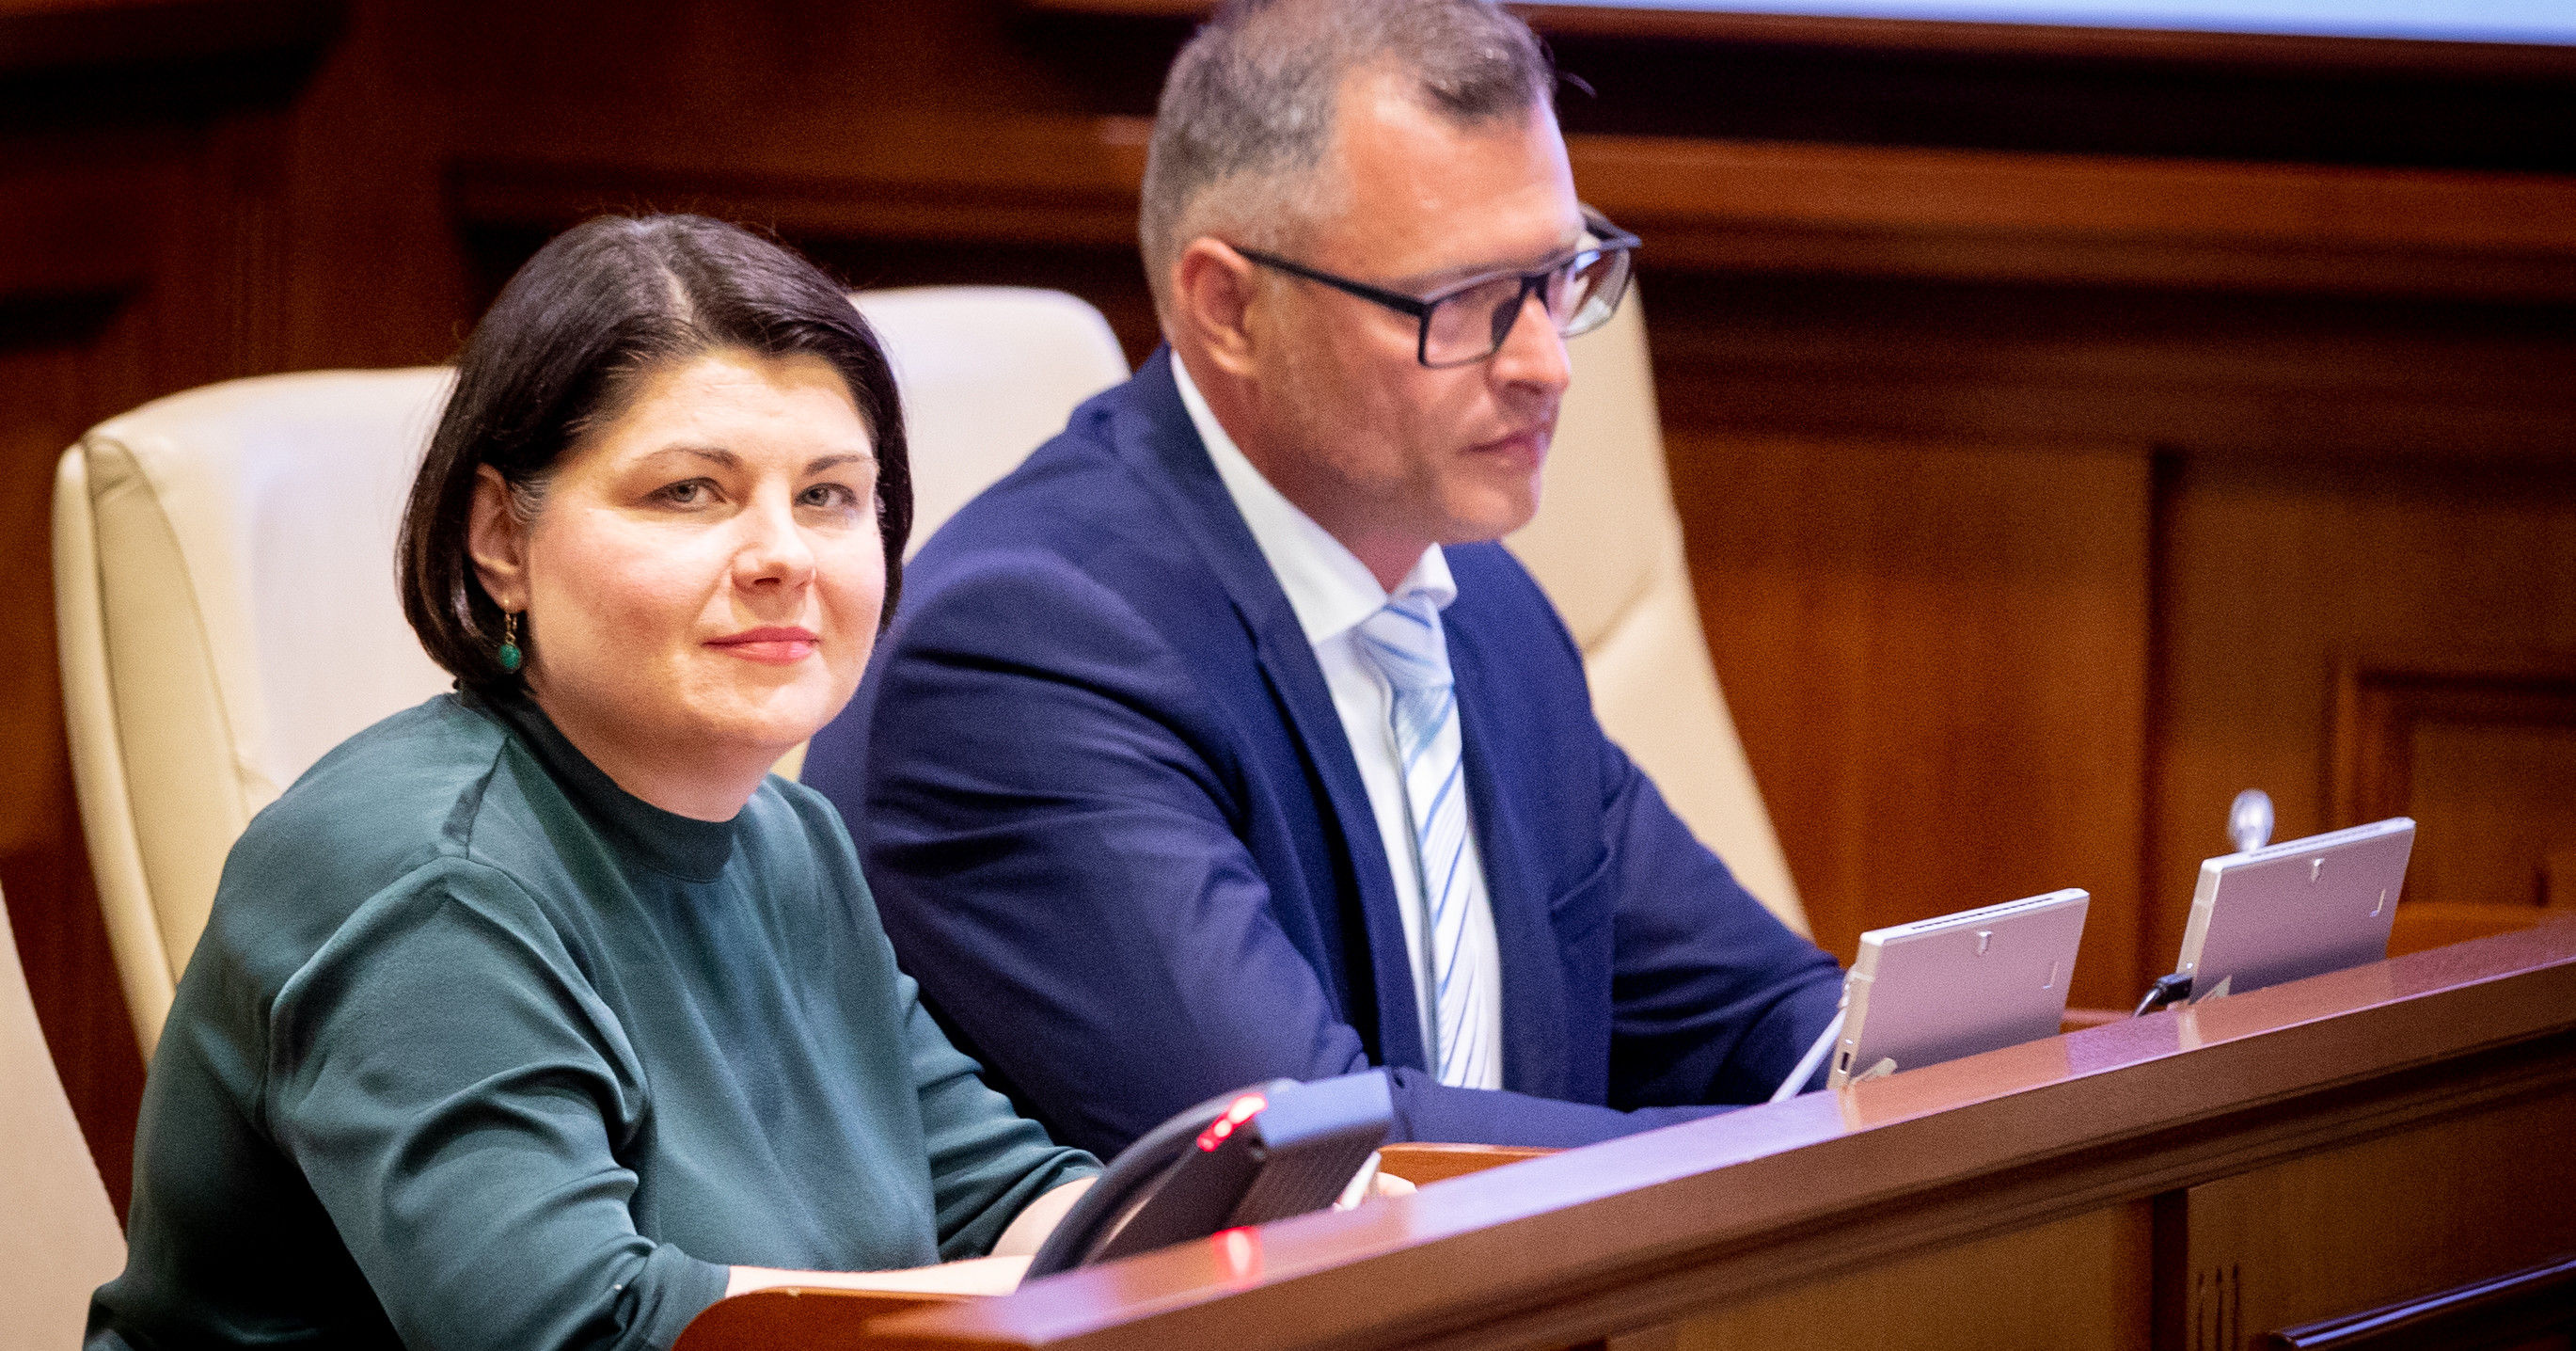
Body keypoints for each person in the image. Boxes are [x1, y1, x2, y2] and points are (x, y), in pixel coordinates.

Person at [802, 0, 1843, 1160]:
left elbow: (1759, 1018)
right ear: (1229, 308)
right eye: (1463, 300)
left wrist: (1905, 1077)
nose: (1546, 363)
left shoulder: (1486, 608)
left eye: (1560, 276)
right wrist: (1783, 1158)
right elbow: (1316, 1154)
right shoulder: (1027, 657)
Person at [87, 215, 1098, 1351]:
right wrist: (1006, 1304)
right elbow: (574, 1329)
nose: (784, 554)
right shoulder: (421, 880)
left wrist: (1183, 1246)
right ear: (499, 541)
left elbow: (1007, 1195)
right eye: (689, 491)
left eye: (829, 496)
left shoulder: (789, 835)